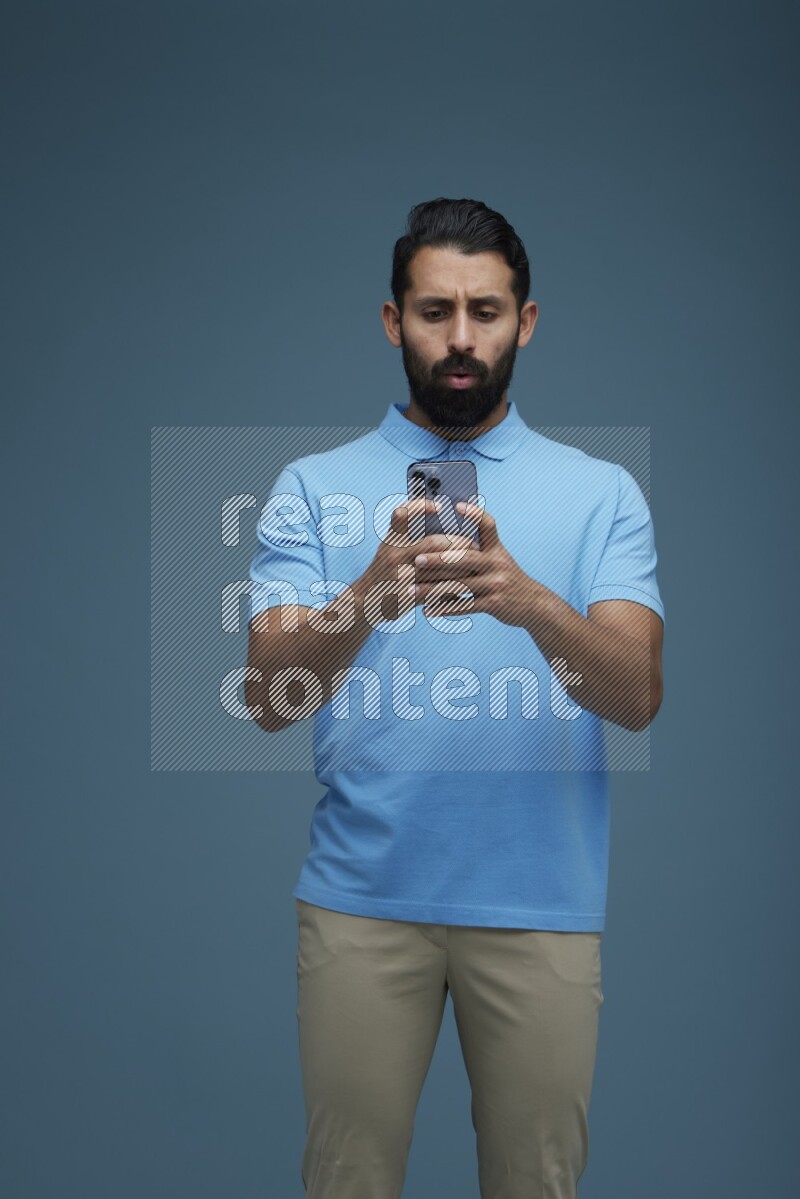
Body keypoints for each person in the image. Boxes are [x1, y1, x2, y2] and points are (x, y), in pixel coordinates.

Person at [244, 197, 665, 1199]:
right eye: (435, 311)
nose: (461, 337)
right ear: (394, 321)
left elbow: (637, 694)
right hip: (360, 900)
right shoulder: (309, 486)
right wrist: (367, 594)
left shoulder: (602, 491)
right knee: (346, 1183)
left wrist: (528, 602)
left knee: (536, 1185)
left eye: (486, 310)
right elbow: (267, 696)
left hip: (540, 902)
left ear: (526, 320)